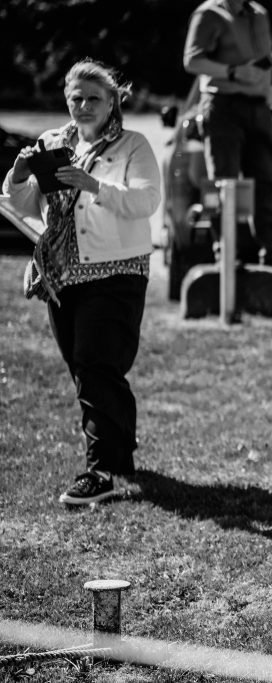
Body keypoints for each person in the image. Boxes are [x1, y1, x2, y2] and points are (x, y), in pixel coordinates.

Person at [2, 60, 160, 506]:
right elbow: (23, 204)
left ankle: (101, 471)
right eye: (76, 99)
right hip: (60, 274)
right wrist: (17, 174)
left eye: (94, 98)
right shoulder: (52, 143)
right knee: (86, 369)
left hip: (118, 270)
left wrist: (93, 185)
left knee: (95, 365)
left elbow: (147, 201)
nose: (84, 106)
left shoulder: (133, 145)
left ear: (113, 101)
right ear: (66, 101)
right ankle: (120, 455)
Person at [183, 0, 272, 268]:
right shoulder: (209, 14)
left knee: (265, 179)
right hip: (222, 105)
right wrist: (233, 71)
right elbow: (191, 60)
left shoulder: (261, 13)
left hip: (259, 107)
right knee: (222, 183)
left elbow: (265, 59)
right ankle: (226, 255)